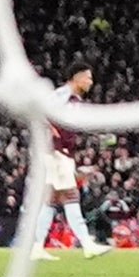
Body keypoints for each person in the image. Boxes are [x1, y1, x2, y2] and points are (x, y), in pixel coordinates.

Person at [39, 63, 113, 257]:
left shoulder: (74, 100)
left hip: (61, 152)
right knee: (71, 196)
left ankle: (36, 246)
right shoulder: (62, 95)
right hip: (57, 152)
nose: (91, 81)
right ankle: (88, 245)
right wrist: (51, 132)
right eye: (88, 77)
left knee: (51, 202)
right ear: (76, 77)